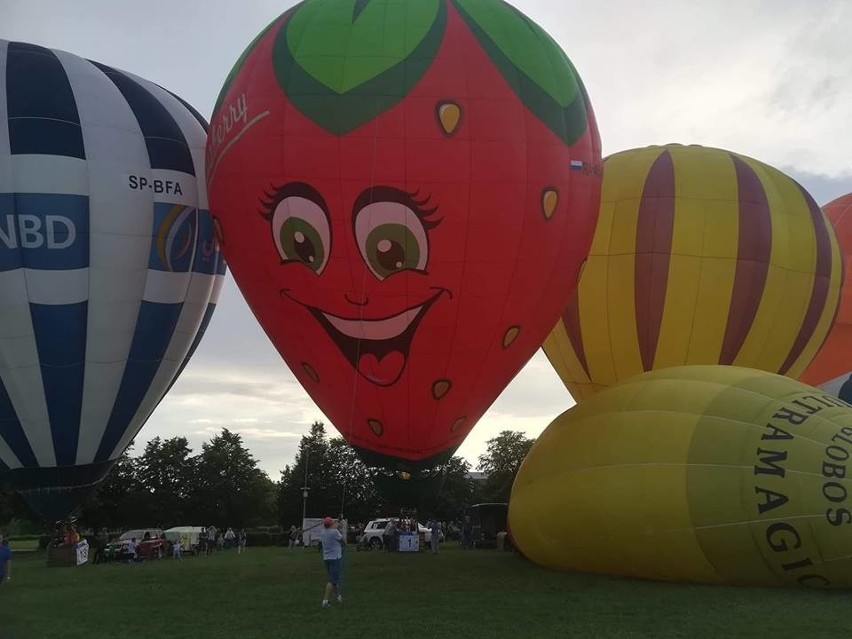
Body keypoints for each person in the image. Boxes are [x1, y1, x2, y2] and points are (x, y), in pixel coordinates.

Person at [318, 517, 345, 608]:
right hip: (335, 558)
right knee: (332, 581)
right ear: (331, 524)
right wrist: (341, 529)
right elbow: (343, 541)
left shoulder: (322, 532)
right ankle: (325, 601)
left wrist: (337, 526)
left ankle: (338, 596)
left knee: (334, 579)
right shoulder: (334, 532)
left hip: (326, 558)